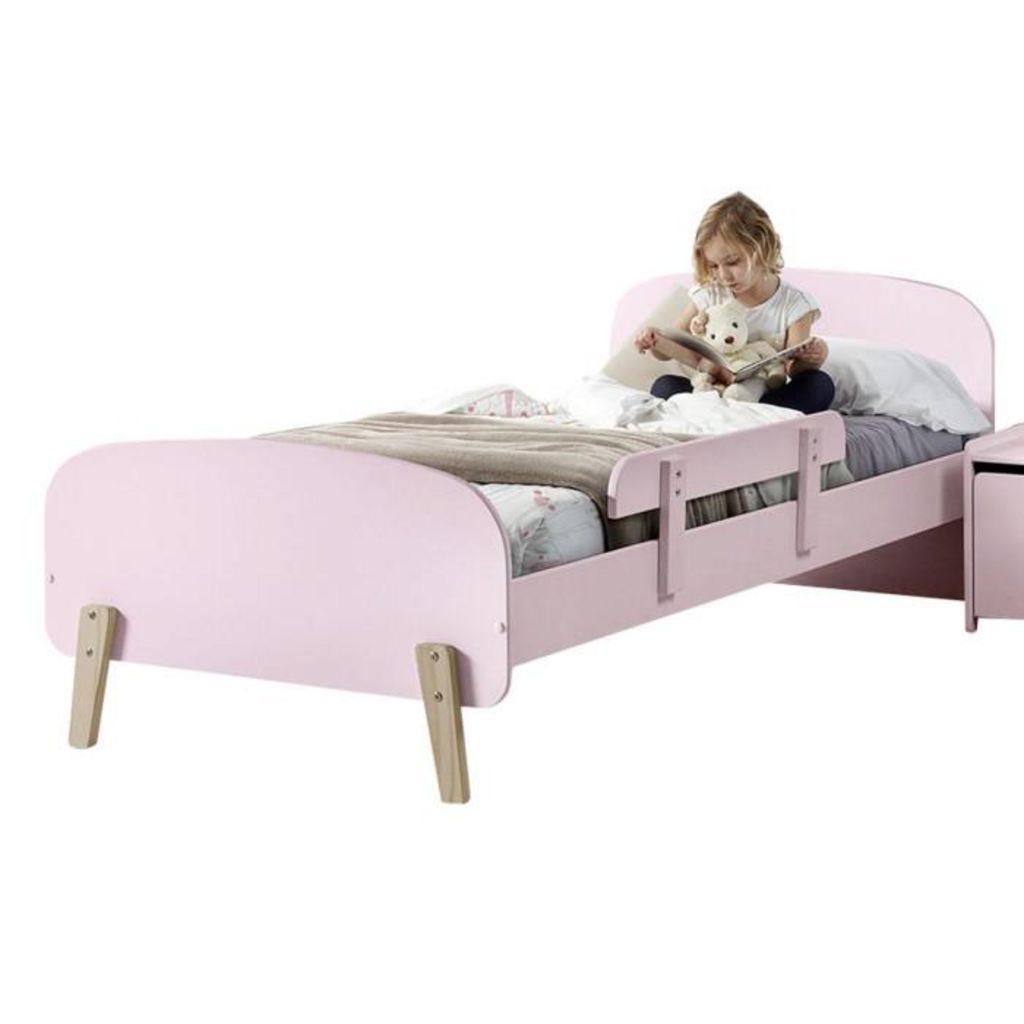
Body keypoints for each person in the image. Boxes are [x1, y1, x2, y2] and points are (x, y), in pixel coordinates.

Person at [634, 192, 835, 413]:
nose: (724, 276)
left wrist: (815, 358)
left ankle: (733, 417)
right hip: (712, 390)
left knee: (819, 385)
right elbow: (669, 350)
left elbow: (794, 370)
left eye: (732, 262)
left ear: (762, 248)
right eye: (714, 266)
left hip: (764, 396)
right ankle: (730, 416)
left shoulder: (794, 304)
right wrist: (654, 340)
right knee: (664, 386)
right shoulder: (710, 294)